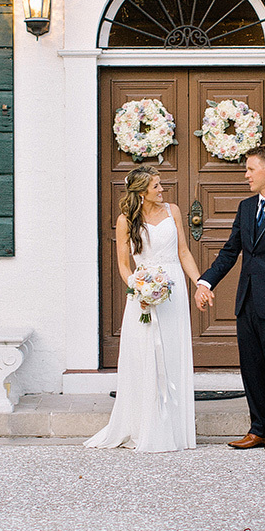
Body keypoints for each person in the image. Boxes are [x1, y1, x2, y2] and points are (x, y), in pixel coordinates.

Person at [195, 145, 265, 452]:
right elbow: (231, 251)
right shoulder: (246, 208)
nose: (245, 175)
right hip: (246, 301)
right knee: (251, 368)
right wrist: (206, 282)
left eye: (250, 169)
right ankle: (257, 427)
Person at [85, 166, 200, 452]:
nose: (162, 190)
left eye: (160, 185)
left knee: (173, 353)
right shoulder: (126, 221)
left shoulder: (173, 211)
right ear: (141, 193)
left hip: (173, 291)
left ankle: (175, 431)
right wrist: (139, 290)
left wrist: (200, 283)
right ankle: (145, 427)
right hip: (143, 293)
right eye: (156, 187)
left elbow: (183, 252)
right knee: (145, 356)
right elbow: (124, 266)